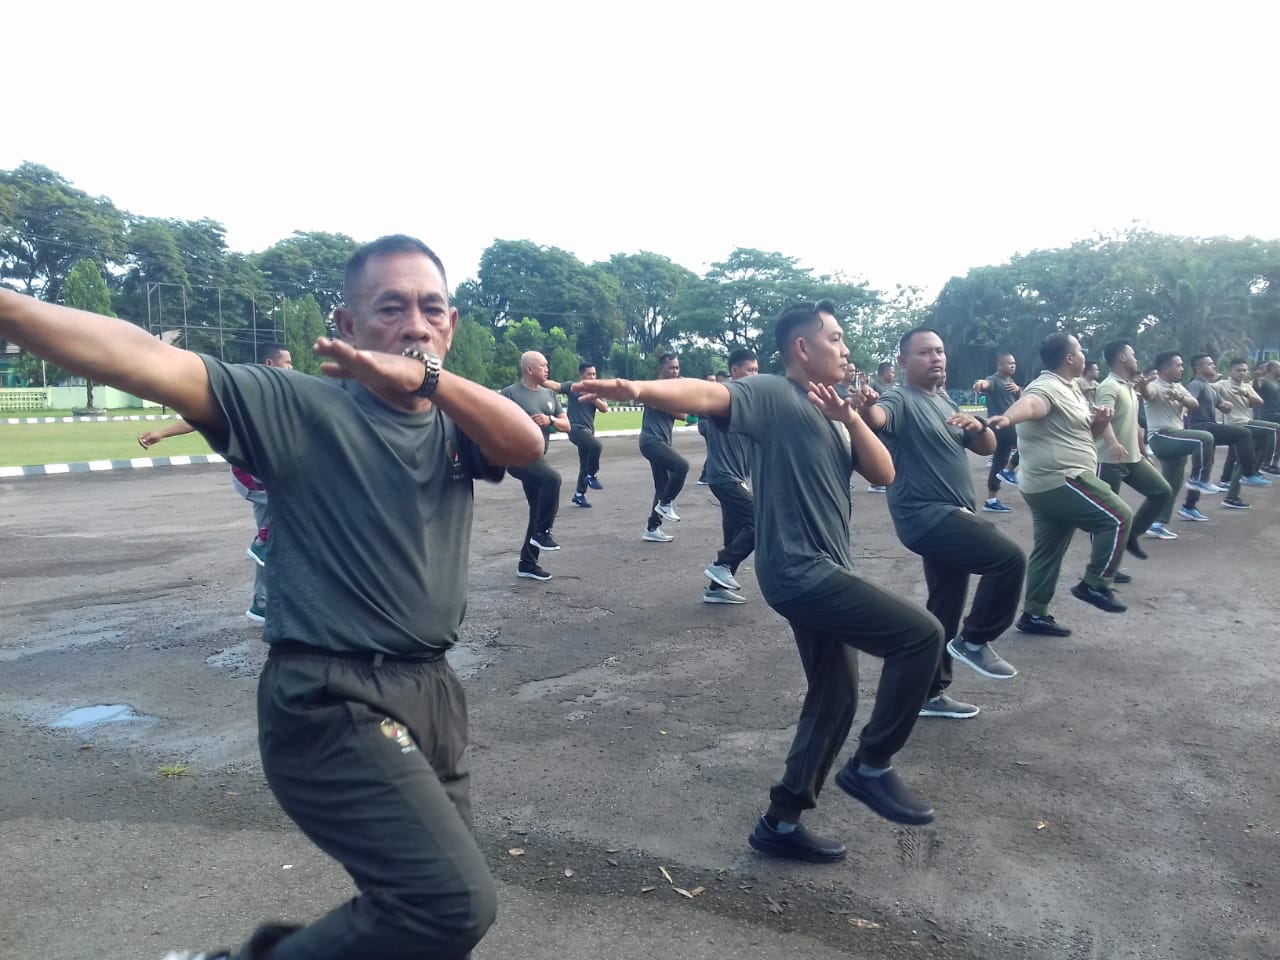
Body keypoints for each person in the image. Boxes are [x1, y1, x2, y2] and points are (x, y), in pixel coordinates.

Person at [0, 235, 547, 960]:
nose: (415, 323)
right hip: (332, 697)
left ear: (449, 324)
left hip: (432, 691)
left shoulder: (456, 419)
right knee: (448, 903)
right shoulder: (296, 405)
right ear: (347, 327)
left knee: (421, 917)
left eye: (431, 308)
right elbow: (143, 356)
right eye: (390, 307)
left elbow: (527, 445)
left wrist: (429, 383)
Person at [577, 299, 944, 862]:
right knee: (920, 635)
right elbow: (708, 394)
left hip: (826, 567)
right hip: (800, 569)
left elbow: (884, 472)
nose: (846, 349)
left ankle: (780, 822)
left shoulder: (829, 410)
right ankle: (872, 765)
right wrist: (640, 389)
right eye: (837, 339)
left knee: (836, 695)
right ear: (803, 347)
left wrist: (847, 418)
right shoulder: (774, 393)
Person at [857, 329, 1024, 721]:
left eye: (939, 351)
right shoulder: (899, 397)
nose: (935, 358)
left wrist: (978, 427)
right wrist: (864, 408)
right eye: (924, 353)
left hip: (952, 515)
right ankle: (976, 639)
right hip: (926, 515)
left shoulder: (944, 400)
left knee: (944, 608)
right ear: (902, 362)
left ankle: (930, 692)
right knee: (1009, 559)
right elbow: (877, 417)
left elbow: (987, 448)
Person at [988, 333, 1134, 633]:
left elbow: (1080, 436)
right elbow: (1031, 404)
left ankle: (1035, 614)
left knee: (1049, 549)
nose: (1084, 356)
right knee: (1119, 517)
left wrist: (1101, 423)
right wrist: (1006, 418)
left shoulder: (1073, 390)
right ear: (1069, 358)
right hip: (1061, 477)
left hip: (1046, 483)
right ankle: (1095, 584)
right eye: (1080, 351)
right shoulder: (1047, 385)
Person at [138, 343, 295, 622]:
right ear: (270, 364)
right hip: (253, 475)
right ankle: (262, 543)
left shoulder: (280, 392)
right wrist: (162, 433)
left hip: (266, 472)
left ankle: (261, 604)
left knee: (269, 547)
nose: (291, 367)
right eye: (287, 362)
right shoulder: (249, 389)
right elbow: (201, 416)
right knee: (297, 503)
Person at [1094, 341, 1173, 557]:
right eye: (1133, 354)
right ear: (1121, 357)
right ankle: (1103, 566)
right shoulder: (1108, 386)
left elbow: (1135, 425)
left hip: (1132, 458)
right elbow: (1103, 418)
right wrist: (1112, 443)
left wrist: (1143, 451)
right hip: (1108, 460)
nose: (1136, 358)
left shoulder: (1128, 387)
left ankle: (1132, 535)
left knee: (1162, 492)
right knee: (1107, 515)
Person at [501, 352, 570, 581]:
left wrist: (549, 420)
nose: (547, 369)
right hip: (517, 457)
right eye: (543, 365)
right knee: (553, 479)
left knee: (537, 509)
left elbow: (566, 425)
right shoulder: (510, 393)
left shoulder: (549, 394)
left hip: (537, 458)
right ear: (530, 369)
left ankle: (527, 563)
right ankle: (543, 532)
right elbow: (497, 424)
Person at [702, 348, 759, 604]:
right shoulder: (725, 399)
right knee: (760, 521)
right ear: (735, 371)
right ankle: (722, 564)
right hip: (725, 477)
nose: (754, 375)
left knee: (735, 532)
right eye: (750, 370)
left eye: (757, 370)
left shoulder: (748, 400)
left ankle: (716, 588)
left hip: (731, 477)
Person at [1143, 351, 1215, 537]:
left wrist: (1180, 397)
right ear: (1165, 368)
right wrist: (1143, 386)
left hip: (1176, 439)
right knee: (1204, 438)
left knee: (1170, 486)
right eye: (1178, 365)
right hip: (1162, 437)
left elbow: (1194, 404)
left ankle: (1157, 524)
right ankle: (1199, 480)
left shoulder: (1177, 386)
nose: (1182, 369)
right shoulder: (1155, 385)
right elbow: (1148, 394)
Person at [1186, 354, 1255, 509]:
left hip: (1209, 429)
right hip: (1200, 428)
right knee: (1243, 434)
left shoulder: (1209, 387)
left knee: (1205, 466)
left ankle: (1189, 507)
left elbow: (1222, 405)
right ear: (1198, 368)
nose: (1214, 366)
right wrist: (1184, 408)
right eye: (1209, 364)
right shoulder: (1196, 384)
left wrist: (1226, 405)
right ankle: (1249, 474)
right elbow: (1190, 400)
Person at [639, 352, 690, 542]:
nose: (675, 371)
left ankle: (652, 528)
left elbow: (683, 412)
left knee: (661, 486)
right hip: (651, 441)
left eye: (677, 368)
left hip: (661, 441)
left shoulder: (671, 389)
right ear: (661, 368)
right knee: (681, 466)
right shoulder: (655, 389)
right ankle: (666, 503)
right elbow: (681, 414)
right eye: (671, 367)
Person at [543, 361, 607, 508]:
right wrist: (541, 380)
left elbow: (604, 408)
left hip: (588, 431)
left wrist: (592, 396)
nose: (592, 377)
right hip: (575, 429)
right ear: (581, 375)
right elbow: (556, 386)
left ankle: (579, 495)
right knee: (596, 446)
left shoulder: (596, 391)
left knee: (584, 463)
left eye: (594, 374)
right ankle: (592, 475)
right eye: (589, 374)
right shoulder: (573, 387)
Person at [1215, 358, 1277, 487]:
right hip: (1238, 423)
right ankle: (1266, 465)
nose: (1242, 373)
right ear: (1230, 371)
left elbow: (1259, 402)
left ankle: (1225, 481)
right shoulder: (1222, 384)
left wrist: (1246, 395)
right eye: (1238, 370)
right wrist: (1219, 401)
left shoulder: (1246, 386)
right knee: (1274, 428)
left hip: (1244, 423)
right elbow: (1207, 389)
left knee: (1234, 456)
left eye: (1244, 370)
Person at [973, 352, 1022, 512]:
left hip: (1003, 429)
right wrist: (979, 384)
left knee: (999, 463)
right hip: (1002, 427)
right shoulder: (994, 380)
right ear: (999, 366)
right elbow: (984, 383)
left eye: (1014, 363)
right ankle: (1009, 469)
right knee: (1030, 441)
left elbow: (1021, 400)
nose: (1013, 365)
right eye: (1009, 363)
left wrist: (1018, 390)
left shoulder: (1010, 382)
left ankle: (991, 501)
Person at [1255, 360, 1280, 471]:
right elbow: (1256, 387)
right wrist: (1256, 377)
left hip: (1277, 414)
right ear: (1272, 368)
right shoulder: (1263, 380)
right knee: (1266, 442)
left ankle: (1273, 464)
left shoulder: (1278, 382)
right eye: (1279, 367)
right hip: (1268, 415)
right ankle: (1266, 464)